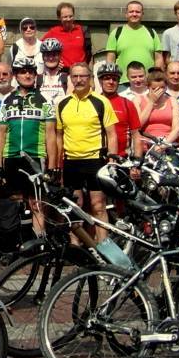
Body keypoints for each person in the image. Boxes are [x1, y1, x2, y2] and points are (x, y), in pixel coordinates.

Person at [55, 63, 118, 241]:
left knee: (98, 206)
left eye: (83, 76)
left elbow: (112, 134)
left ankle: (104, 247)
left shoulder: (101, 102)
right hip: (71, 161)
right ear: (70, 79)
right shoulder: (62, 103)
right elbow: (59, 136)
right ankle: (75, 248)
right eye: (75, 76)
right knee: (75, 207)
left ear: (90, 78)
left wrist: (112, 162)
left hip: (95, 160)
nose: (79, 80)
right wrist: (58, 165)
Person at [0, 56, 58, 231]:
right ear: (15, 75)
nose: (27, 75)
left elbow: (51, 135)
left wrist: (52, 166)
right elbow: (1, 134)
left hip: (36, 157)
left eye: (31, 72)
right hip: (11, 156)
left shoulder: (45, 99)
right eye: (23, 72)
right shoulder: (7, 99)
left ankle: (39, 243)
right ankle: (18, 243)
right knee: (15, 204)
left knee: (37, 204)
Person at [105, 0, 163, 83]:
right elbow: (110, 59)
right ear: (126, 14)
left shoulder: (151, 32)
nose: (134, 14)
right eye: (131, 12)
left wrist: (156, 78)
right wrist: (112, 79)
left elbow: (158, 58)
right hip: (123, 82)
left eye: (137, 12)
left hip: (147, 82)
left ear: (142, 14)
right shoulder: (116, 33)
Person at [97, 62, 141, 159]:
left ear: (118, 82)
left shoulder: (127, 104)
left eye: (114, 79)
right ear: (100, 81)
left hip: (121, 159)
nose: (111, 82)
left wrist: (137, 160)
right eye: (107, 78)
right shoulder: (93, 103)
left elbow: (136, 135)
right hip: (97, 159)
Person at [138, 68, 179, 151]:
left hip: (167, 144)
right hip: (147, 145)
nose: (159, 91)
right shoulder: (138, 100)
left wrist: (163, 145)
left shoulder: (172, 101)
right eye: (154, 89)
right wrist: (151, 102)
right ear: (148, 87)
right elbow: (137, 126)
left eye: (162, 88)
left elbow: (176, 129)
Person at [42, 2, 92, 68]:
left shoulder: (82, 30)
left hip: (80, 70)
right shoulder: (53, 32)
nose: (68, 19)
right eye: (65, 17)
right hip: (63, 70)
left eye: (70, 16)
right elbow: (40, 47)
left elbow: (89, 52)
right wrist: (52, 63)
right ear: (59, 18)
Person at [37, 38, 68, 105]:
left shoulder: (67, 78)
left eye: (54, 55)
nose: (51, 58)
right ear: (43, 57)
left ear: (59, 56)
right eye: (47, 55)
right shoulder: (36, 79)